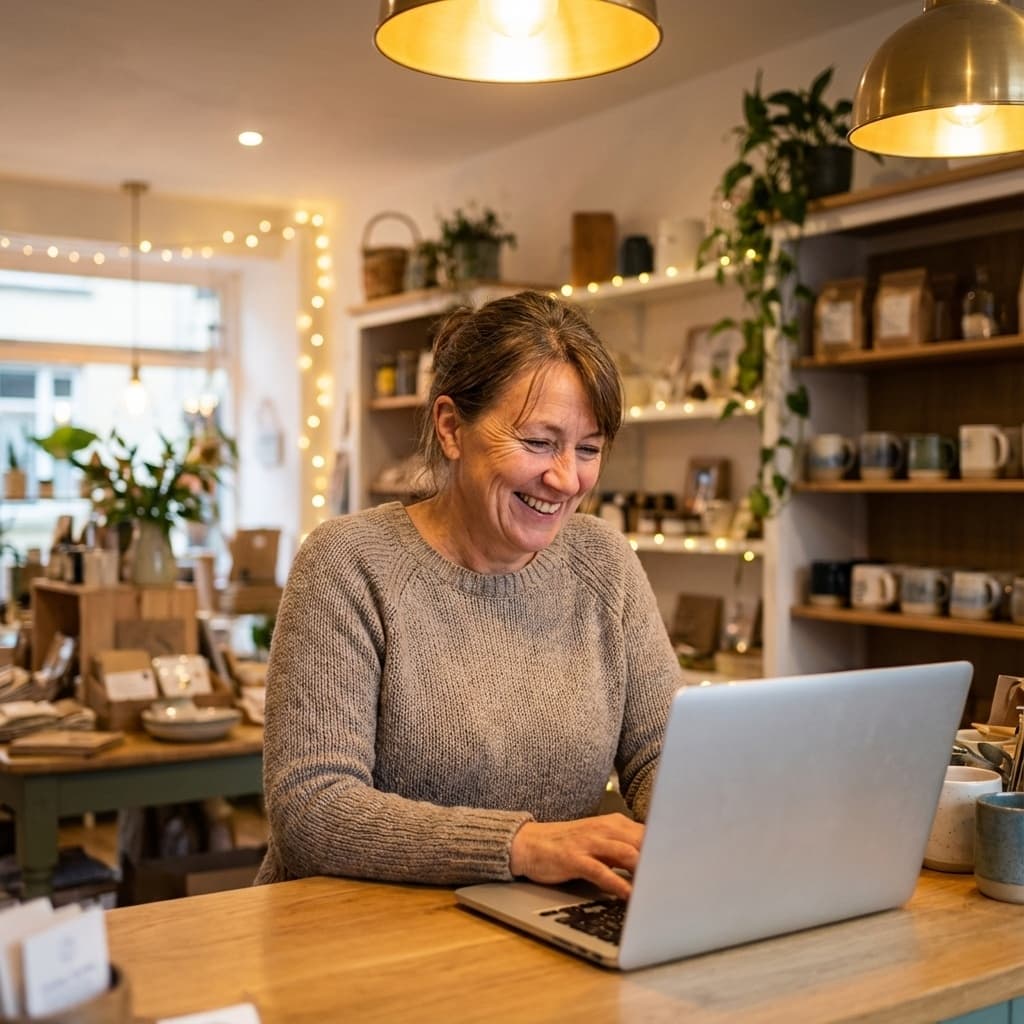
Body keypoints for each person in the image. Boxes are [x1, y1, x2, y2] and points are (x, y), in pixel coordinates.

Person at [256, 290, 682, 900]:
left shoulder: (604, 564)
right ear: (452, 428)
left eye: (588, 449)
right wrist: (523, 846)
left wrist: (692, 814)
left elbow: (660, 752)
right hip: (353, 941)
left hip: (535, 927)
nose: (566, 479)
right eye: (539, 442)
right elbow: (312, 809)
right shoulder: (348, 564)